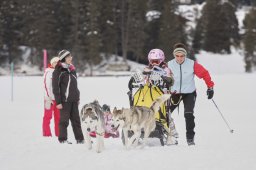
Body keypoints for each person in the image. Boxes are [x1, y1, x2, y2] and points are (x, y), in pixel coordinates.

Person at [128, 49, 179, 145]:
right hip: (146, 95)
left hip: (161, 95)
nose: (154, 63)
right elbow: (142, 80)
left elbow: (171, 80)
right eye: (152, 61)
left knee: (167, 115)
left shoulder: (166, 70)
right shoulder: (146, 70)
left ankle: (172, 135)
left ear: (161, 60)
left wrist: (164, 78)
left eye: (157, 61)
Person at [168, 43, 214, 146]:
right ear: (174, 55)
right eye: (177, 56)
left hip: (189, 93)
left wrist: (210, 87)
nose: (179, 58)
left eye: (182, 56)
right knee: (165, 114)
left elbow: (204, 74)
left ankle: (190, 139)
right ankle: (169, 136)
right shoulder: (169, 65)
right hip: (174, 93)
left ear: (185, 55)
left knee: (188, 114)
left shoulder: (192, 64)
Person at [52, 50, 84, 144]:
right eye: (68, 57)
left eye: (71, 56)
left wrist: (77, 97)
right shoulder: (58, 71)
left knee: (76, 121)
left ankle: (80, 139)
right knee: (64, 121)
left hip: (74, 99)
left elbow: (75, 85)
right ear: (63, 58)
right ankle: (62, 139)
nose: (71, 58)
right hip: (64, 101)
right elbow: (55, 88)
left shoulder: (72, 69)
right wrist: (58, 102)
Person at [42, 57, 60, 137]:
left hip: (58, 100)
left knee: (58, 118)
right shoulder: (48, 72)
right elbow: (46, 86)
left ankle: (58, 134)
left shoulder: (60, 72)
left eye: (58, 62)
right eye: (55, 62)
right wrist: (48, 98)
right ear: (52, 63)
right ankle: (47, 134)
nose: (56, 64)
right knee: (47, 117)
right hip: (49, 99)